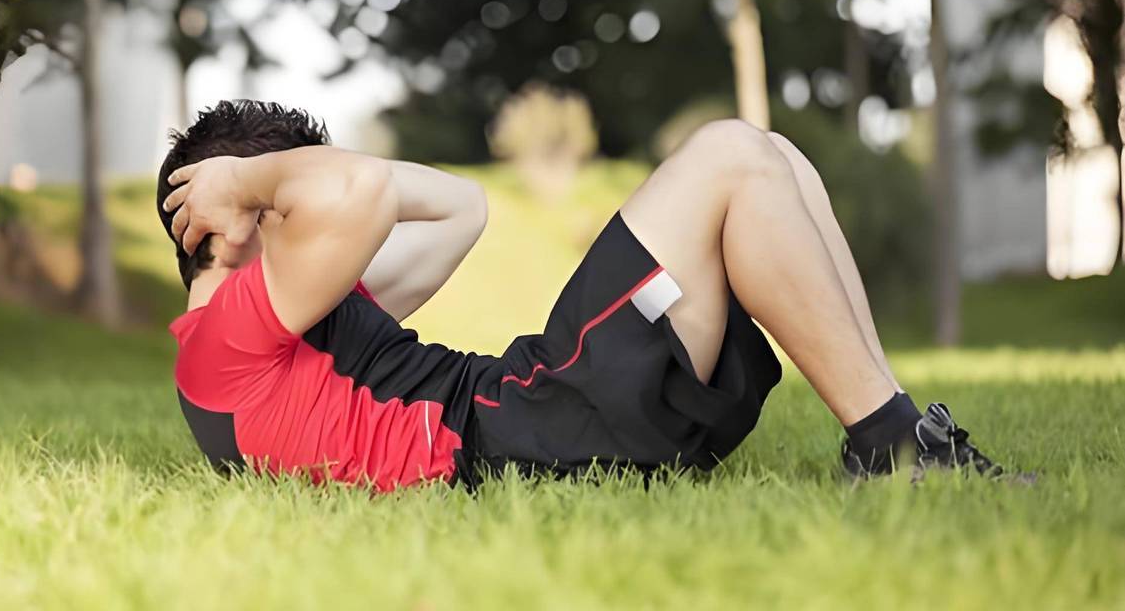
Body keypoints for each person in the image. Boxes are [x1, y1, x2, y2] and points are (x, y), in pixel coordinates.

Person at [157, 100, 1007, 492]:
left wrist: (261, 184)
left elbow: (462, 208)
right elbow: (365, 194)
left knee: (770, 157)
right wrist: (245, 180)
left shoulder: (297, 332)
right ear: (236, 227)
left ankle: (897, 426)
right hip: (523, 432)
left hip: (541, 422)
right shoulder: (222, 343)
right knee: (731, 155)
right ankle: (888, 447)